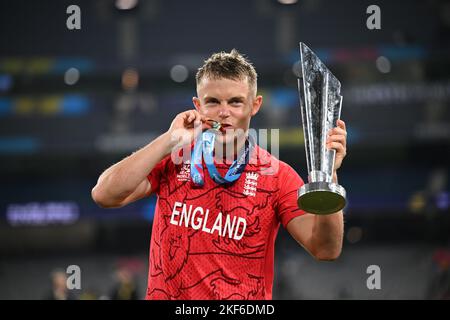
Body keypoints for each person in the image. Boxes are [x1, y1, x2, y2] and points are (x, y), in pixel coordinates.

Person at [91, 49, 348, 300]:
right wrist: (168, 140)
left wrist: (329, 175)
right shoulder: (172, 158)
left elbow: (326, 249)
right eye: (213, 101)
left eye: (235, 101)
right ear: (197, 105)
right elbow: (105, 194)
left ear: (254, 105)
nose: (224, 112)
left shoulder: (277, 176)